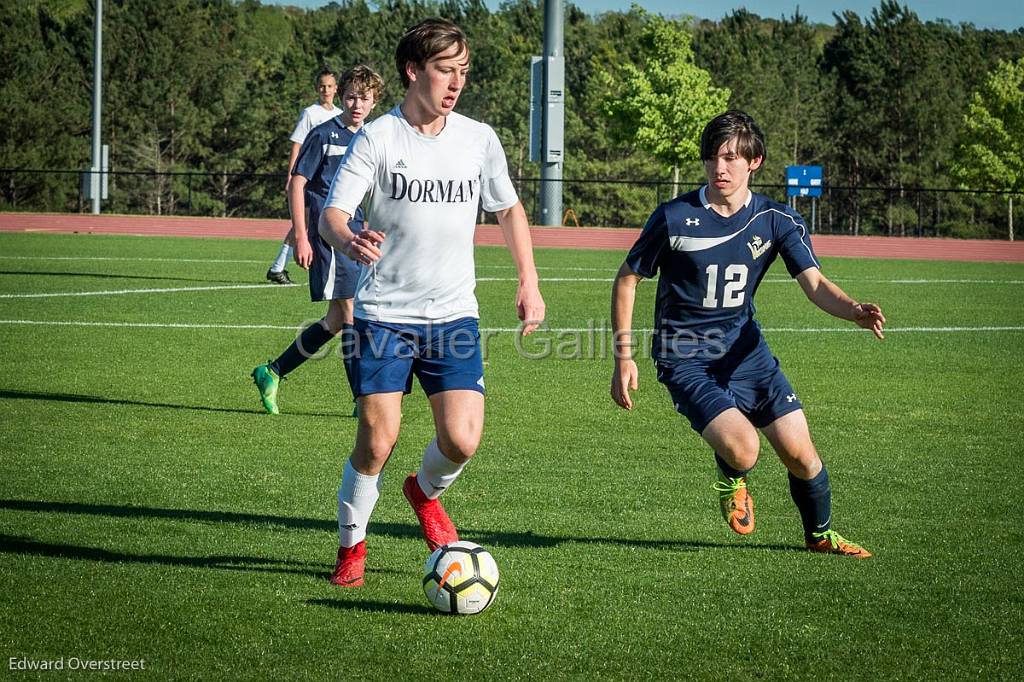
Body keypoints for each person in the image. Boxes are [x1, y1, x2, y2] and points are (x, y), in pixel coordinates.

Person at [318, 18, 545, 587]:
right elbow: (332, 214)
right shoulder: (379, 137)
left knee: (463, 439)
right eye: (445, 70)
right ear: (413, 71)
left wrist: (528, 280)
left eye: (463, 72)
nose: (456, 83)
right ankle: (352, 548)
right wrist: (348, 238)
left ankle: (422, 491)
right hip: (384, 317)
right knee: (376, 441)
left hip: (453, 314)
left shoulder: (478, 138)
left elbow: (508, 210)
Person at [610, 110, 884, 558]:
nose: (720, 167)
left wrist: (852, 309)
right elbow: (627, 279)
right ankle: (733, 477)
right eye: (713, 157)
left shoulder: (777, 219)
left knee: (801, 455)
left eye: (732, 158)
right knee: (745, 450)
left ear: (754, 162)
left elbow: (814, 283)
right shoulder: (675, 217)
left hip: (746, 353)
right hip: (685, 358)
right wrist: (624, 356)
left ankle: (820, 537)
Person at [251, 65, 384, 414]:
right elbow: (298, 183)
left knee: (337, 320)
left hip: (353, 236)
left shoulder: (371, 137)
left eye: (365, 98)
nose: (357, 103)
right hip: (327, 236)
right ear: (341, 96)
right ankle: (363, 400)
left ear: (374, 102)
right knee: (351, 312)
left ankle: (272, 371)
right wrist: (301, 234)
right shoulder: (324, 134)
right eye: (352, 96)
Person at [266, 67, 341, 285]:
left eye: (329, 86)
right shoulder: (311, 113)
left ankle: (279, 267)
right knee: (306, 222)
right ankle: (278, 267)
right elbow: (297, 143)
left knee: (322, 221)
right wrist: (292, 175)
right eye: (321, 86)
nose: (325, 90)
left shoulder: (339, 114)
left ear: (336, 89)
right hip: (312, 178)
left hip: (331, 178)